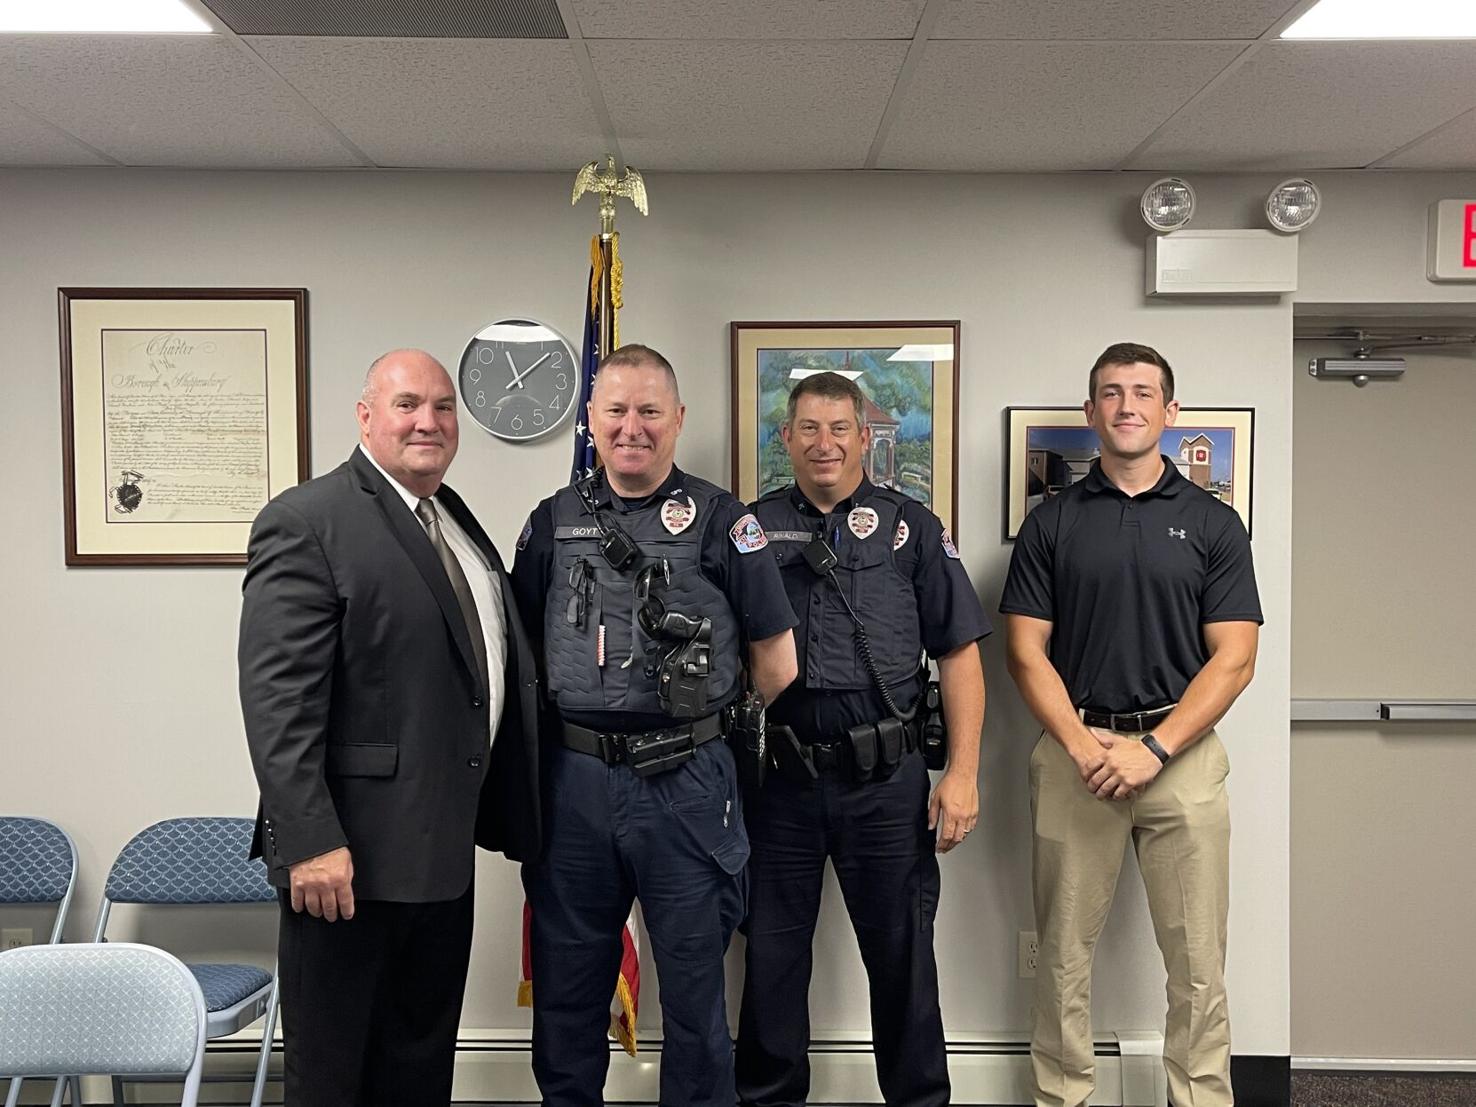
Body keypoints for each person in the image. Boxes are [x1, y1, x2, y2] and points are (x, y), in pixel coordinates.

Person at [238, 348, 540, 1106]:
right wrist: (308, 840)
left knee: (417, 1064)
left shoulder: (452, 516)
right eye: (407, 404)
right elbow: (278, 699)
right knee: (336, 1073)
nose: (428, 421)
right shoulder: (308, 520)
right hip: (346, 864)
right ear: (366, 415)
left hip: (440, 854)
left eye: (443, 407)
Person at [509, 344, 798, 1107]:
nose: (631, 426)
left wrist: (710, 729)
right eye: (615, 410)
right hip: (573, 786)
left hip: (686, 784)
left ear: (678, 420)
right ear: (592, 420)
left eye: (648, 411)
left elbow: (777, 660)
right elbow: (524, 651)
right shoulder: (552, 521)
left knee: (696, 1000)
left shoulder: (723, 520)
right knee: (568, 991)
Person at [1000, 342, 1262, 1107]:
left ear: (1170, 412)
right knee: (1061, 958)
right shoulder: (1050, 524)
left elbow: (1235, 658)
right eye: (1111, 393)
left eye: (1143, 392)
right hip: (1075, 754)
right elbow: (1024, 651)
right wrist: (1085, 746)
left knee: (1198, 961)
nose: (1127, 405)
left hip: (1180, 760)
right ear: (1091, 414)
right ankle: (1062, 1097)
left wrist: (1154, 748)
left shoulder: (1214, 522)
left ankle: (1201, 1097)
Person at [735, 371, 989, 1107]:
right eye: (807, 428)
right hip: (779, 781)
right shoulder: (748, 530)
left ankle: (918, 1100)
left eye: (839, 428)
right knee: (773, 961)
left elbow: (961, 653)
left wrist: (964, 772)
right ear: (786, 439)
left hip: (887, 783)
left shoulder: (911, 527)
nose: (823, 443)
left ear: (863, 437)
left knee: (904, 961)